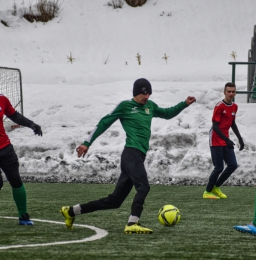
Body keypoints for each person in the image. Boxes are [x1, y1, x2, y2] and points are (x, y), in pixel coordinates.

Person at [60, 78, 196, 234]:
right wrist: (87, 143)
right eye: (143, 94)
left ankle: (71, 211)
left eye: (149, 94)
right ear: (136, 93)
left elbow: (166, 114)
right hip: (131, 154)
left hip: (137, 156)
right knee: (143, 186)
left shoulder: (150, 106)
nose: (146, 97)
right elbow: (104, 122)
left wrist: (184, 103)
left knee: (115, 201)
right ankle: (133, 223)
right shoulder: (125, 106)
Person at [0, 94, 42, 225]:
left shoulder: (2, 99)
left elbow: (15, 115)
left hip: (5, 148)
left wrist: (31, 124)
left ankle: (23, 216)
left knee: (15, 179)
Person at [203, 82, 244, 199]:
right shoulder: (219, 106)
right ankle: (207, 192)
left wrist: (240, 139)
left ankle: (216, 187)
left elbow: (233, 123)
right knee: (219, 167)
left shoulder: (234, 107)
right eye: (229, 91)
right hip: (216, 138)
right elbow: (215, 126)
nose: (231, 94)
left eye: (233, 91)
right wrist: (227, 140)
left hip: (225, 139)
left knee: (232, 165)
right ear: (224, 92)